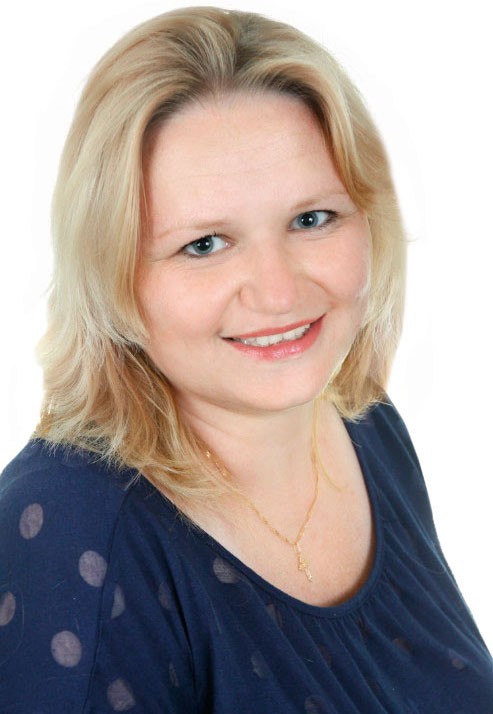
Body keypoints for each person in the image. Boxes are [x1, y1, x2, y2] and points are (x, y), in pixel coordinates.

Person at [0, 6, 492, 712]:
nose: (279, 292)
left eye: (311, 219)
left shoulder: (363, 425)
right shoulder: (73, 531)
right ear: (112, 273)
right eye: (204, 244)